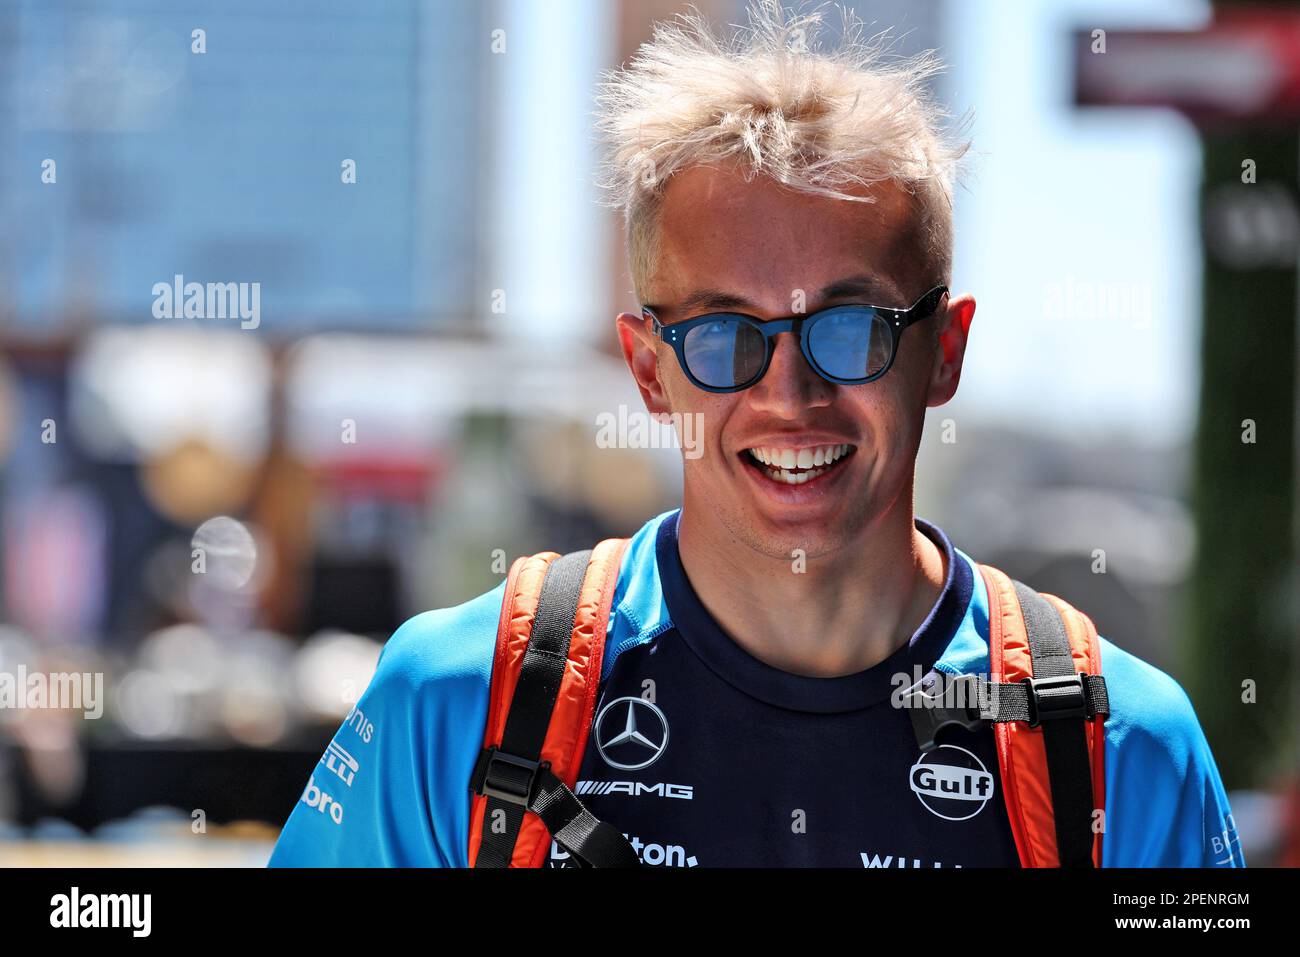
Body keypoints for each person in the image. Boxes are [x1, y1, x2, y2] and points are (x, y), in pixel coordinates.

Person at [269, 0, 1242, 868]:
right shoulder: (457, 702)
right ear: (648, 367)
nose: (790, 392)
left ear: (943, 352)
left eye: (850, 326)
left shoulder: (1121, 750)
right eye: (726, 334)